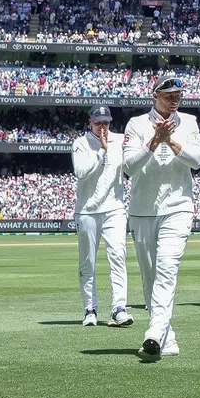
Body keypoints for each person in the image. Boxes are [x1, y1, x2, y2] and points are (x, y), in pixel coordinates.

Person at [123, 77, 200, 358]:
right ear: (155, 95)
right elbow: (129, 168)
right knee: (150, 276)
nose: (175, 99)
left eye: (178, 94)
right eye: (169, 95)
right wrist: (154, 142)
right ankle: (167, 340)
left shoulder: (189, 122)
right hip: (143, 209)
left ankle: (154, 332)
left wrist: (171, 142)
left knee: (167, 269)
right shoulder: (136, 124)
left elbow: (197, 161)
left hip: (178, 207)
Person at [73, 105, 132, 327]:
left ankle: (119, 308)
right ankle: (90, 309)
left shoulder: (121, 140)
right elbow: (81, 172)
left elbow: (130, 166)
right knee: (87, 262)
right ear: (90, 122)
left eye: (106, 122)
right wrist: (102, 151)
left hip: (114, 208)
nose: (102, 127)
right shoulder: (80, 143)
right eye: (98, 123)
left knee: (118, 255)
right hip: (87, 209)